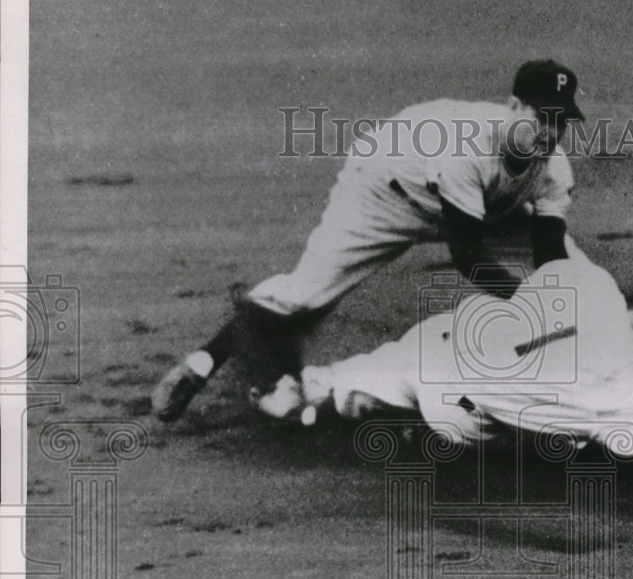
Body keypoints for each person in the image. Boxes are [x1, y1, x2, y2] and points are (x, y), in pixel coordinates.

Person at [152, 59, 588, 422]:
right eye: (542, 118)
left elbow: (549, 253)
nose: (550, 133)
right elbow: (467, 254)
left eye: (561, 122)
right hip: (385, 189)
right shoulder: (467, 148)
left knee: (575, 277)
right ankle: (202, 363)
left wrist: (554, 301)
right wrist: (532, 306)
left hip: (477, 207)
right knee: (304, 298)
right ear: (513, 107)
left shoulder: (553, 167)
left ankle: (589, 370)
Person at [257, 257, 633, 477]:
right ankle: (409, 429)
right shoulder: (631, 382)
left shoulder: (589, 278)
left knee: (370, 379)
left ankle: (307, 393)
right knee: (565, 440)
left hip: (443, 335)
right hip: (463, 413)